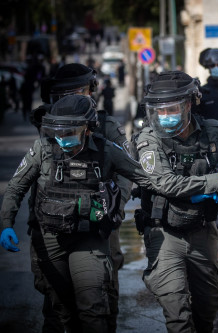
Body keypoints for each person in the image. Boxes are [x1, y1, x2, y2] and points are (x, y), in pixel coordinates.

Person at [0, 94, 218, 332]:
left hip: (88, 240)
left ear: (88, 128)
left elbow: (153, 180)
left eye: (71, 131)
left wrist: (195, 190)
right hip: (50, 238)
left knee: (93, 309)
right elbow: (16, 186)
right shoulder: (43, 149)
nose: (63, 138)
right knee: (58, 309)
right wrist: (6, 223)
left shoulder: (107, 151)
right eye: (59, 132)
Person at [29, 63, 132, 332]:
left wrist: (114, 207)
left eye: (79, 92)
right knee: (55, 304)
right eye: (64, 95)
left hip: (97, 223)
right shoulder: (46, 123)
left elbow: (126, 173)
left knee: (99, 300)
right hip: (51, 222)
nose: (72, 99)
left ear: (91, 91)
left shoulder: (106, 125)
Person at [133, 71, 218, 332]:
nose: (166, 117)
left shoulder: (213, 132)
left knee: (209, 304)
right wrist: (216, 181)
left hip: (203, 230)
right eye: (160, 111)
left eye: (172, 109)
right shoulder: (149, 139)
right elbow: (164, 183)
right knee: (176, 309)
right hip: (164, 232)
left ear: (189, 104)